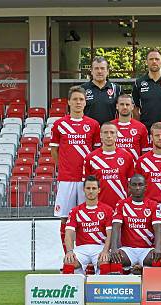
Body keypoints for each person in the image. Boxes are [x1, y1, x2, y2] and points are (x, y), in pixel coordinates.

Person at [51, 86, 101, 251]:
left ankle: (85, 257)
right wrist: (65, 168)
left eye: (81, 99)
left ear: (85, 103)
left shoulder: (93, 125)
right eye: (75, 99)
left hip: (86, 181)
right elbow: (54, 151)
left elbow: (96, 153)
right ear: (69, 102)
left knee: (87, 220)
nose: (78, 102)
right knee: (65, 220)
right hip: (66, 180)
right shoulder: (59, 124)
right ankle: (68, 257)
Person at [110, 174, 161, 273]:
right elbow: (116, 227)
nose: (137, 187)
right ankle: (123, 280)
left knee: (160, 259)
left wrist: (158, 248)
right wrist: (114, 248)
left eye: (140, 184)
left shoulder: (153, 205)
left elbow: (158, 228)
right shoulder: (122, 204)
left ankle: (142, 276)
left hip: (147, 249)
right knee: (114, 258)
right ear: (129, 187)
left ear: (145, 187)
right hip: (128, 250)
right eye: (134, 185)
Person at [62, 176, 113, 275]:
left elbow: (110, 234)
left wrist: (106, 251)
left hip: (100, 247)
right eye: (88, 188)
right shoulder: (75, 211)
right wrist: (69, 251)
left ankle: (100, 288)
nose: (91, 191)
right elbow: (68, 234)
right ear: (83, 190)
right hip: (82, 248)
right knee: (68, 261)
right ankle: (78, 287)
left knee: (104, 262)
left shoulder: (108, 210)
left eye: (94, 188)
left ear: (99, 190)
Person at [83, 122, 135, 208]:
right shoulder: (91, 158)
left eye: (112, 132)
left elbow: (131, 185)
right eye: (105, 132)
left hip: (120, 207)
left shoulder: (127, 156)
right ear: (100, 135)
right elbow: (87, 186)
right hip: (99, 208)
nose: (109, 136)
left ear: (117, 135)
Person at [81, 56, 121, 124]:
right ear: (92, 71)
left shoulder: (117, 89)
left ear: (107, 71)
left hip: (110, 132)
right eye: (96, 68)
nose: (99, 71)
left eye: (102, 68)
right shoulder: (82, 89)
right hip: (88, 131)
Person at [112, 94, 150, 161]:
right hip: (114, 168)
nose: (125, 107)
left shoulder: (141, 127)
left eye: (127, 104)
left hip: (134, 168)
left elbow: (145, 152)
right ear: (117, 106)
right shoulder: (109, 126)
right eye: (121, 104)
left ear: (132, 107)